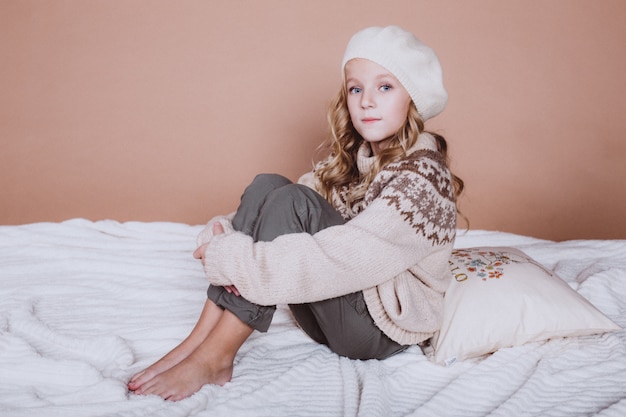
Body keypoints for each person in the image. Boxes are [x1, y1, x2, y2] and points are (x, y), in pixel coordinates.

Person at [128, 25, 464, 401]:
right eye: (356, 89)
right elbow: (274, 204)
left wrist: (235, 257)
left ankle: (216, 356)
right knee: (269, 185)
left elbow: (348, 257)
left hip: (385, 329)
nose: (367, 101)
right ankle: (198, 340)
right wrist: (222, 234)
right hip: (337, 313)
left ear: (413, 98)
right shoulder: (355, 160)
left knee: (291, 202)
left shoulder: (422, 174)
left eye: (385, 87)